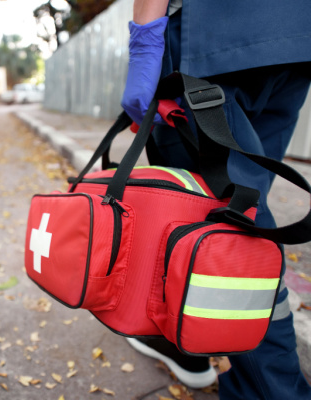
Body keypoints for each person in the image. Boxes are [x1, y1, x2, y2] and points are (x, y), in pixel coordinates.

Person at [120, 1, 311, 398]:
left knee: (235, 226)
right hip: (292, 41)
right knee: (240, 210)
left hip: (209, 40)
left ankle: (274, 390)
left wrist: (144, 43)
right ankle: (184, 340)